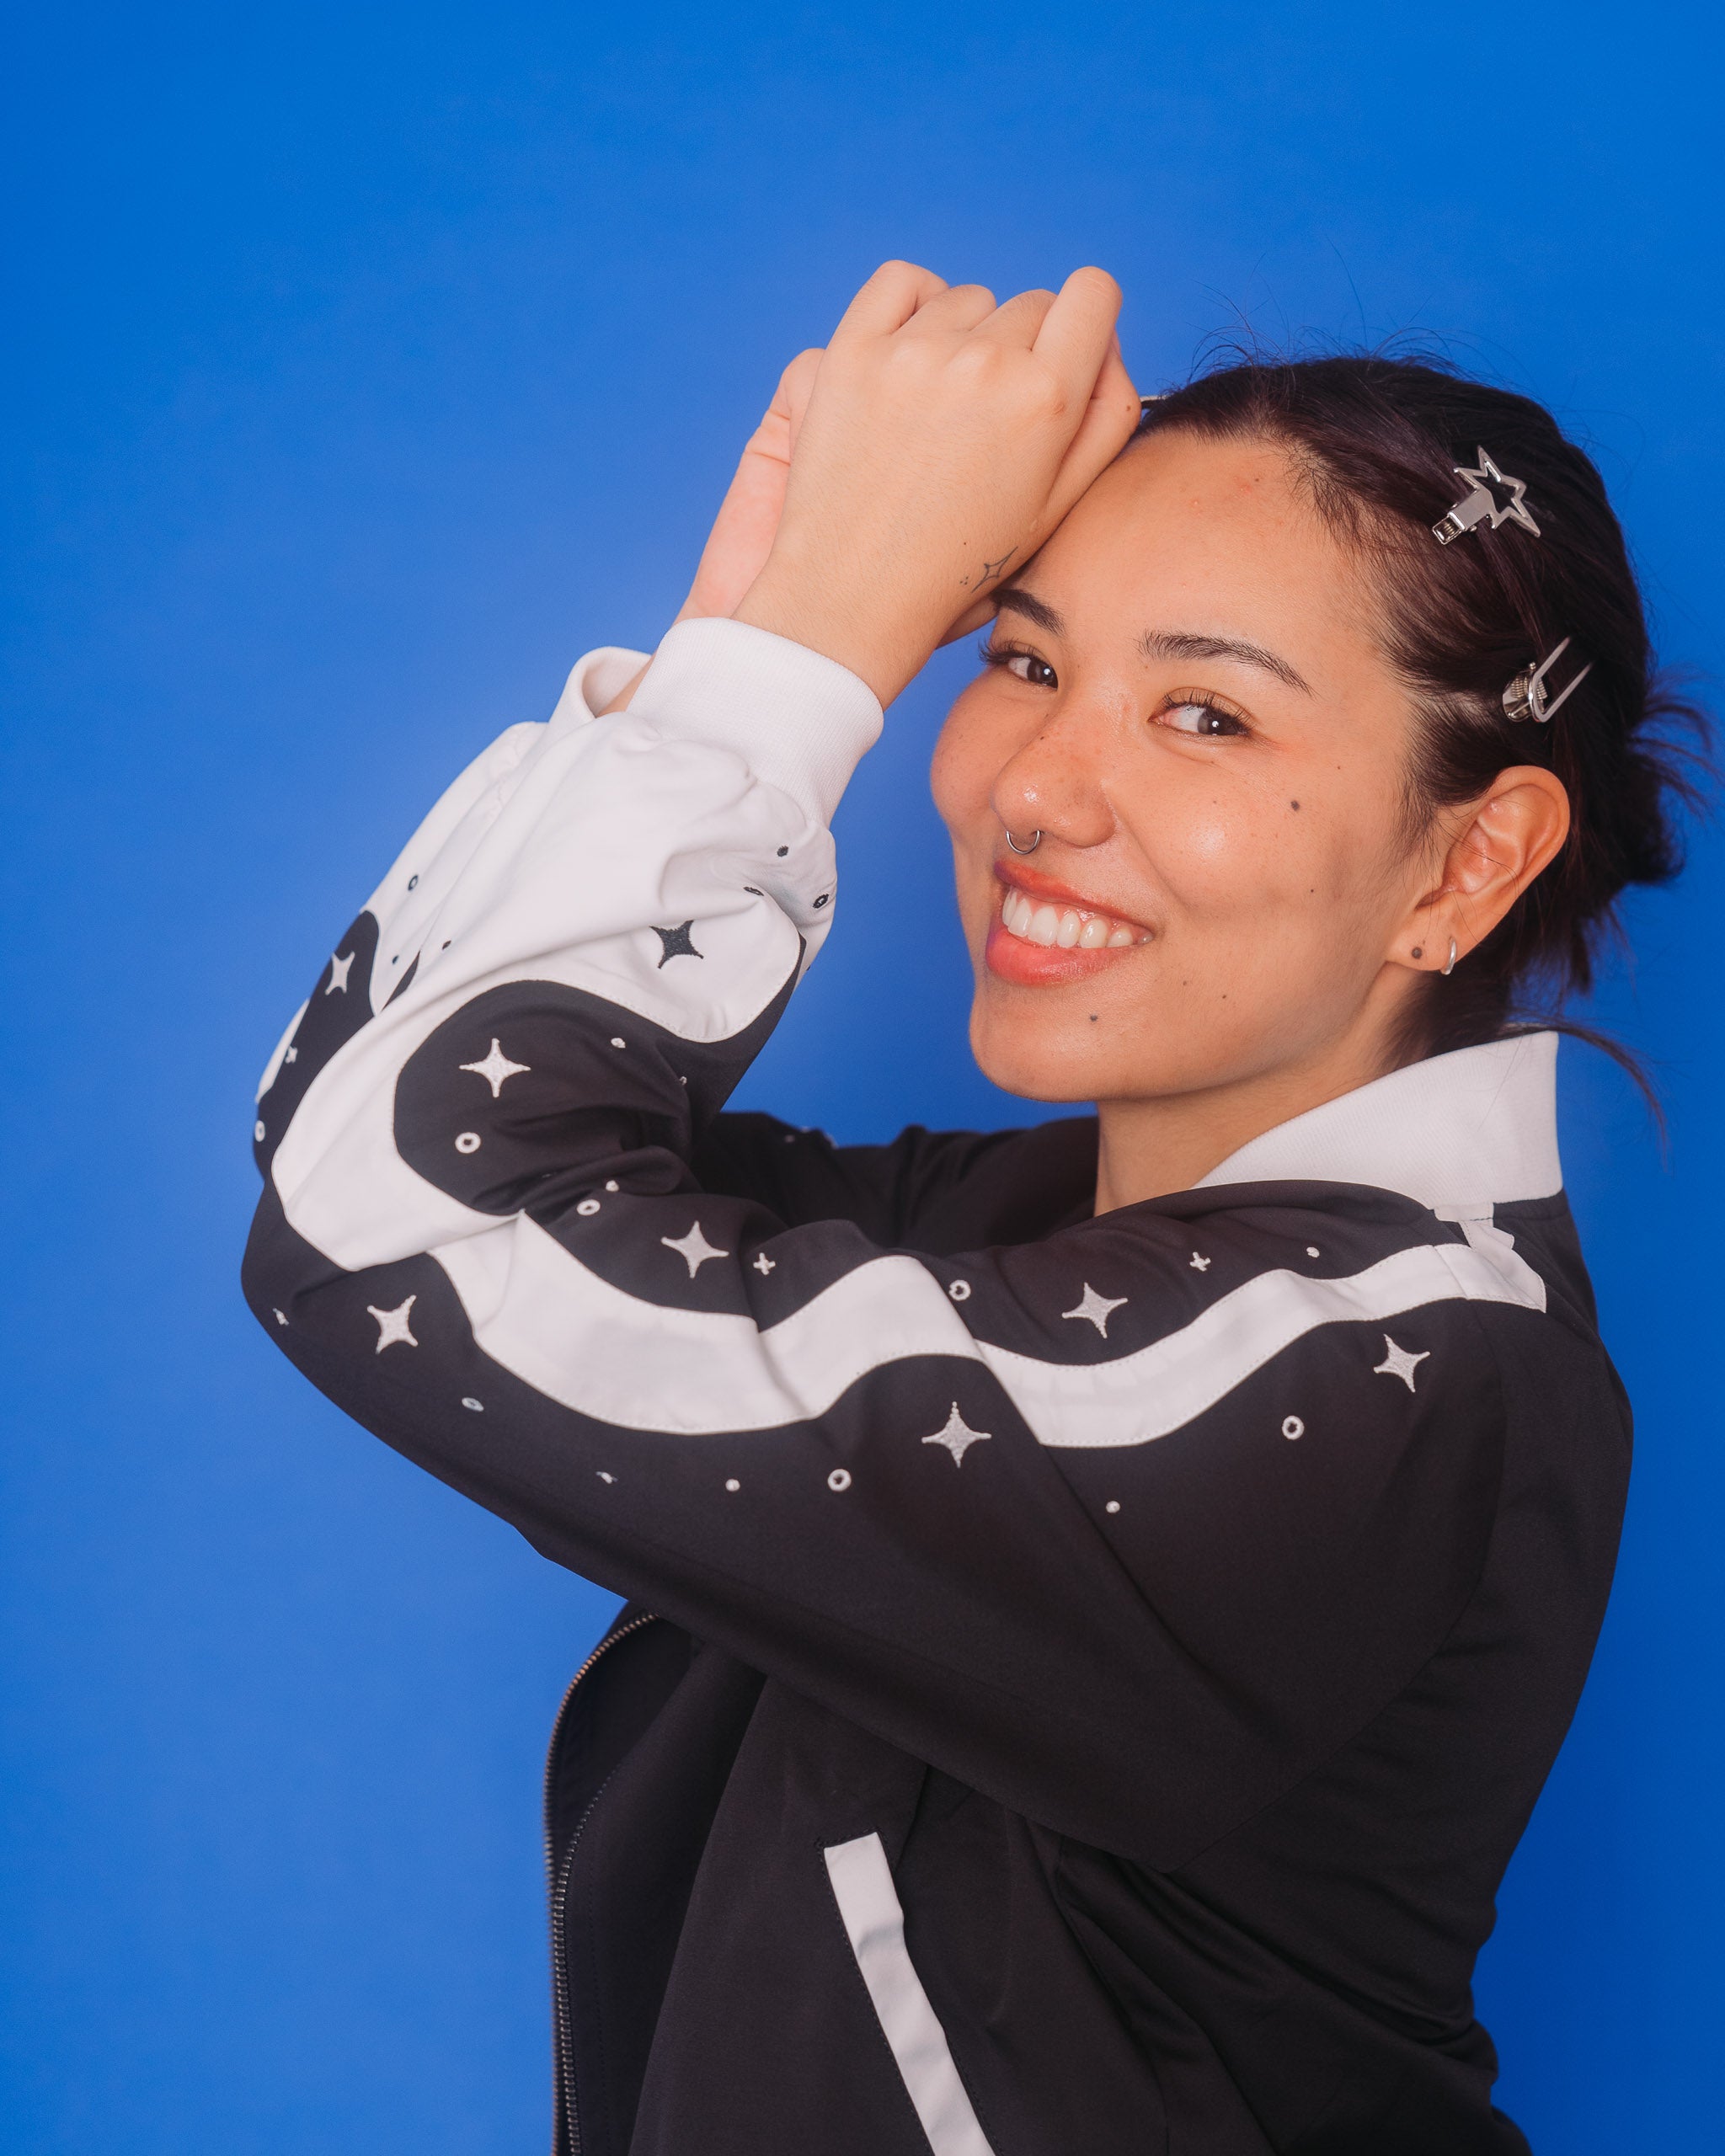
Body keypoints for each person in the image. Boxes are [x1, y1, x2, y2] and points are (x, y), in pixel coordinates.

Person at [243, 262, 1700, 2154]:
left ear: (1467, 859)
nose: (1033, 785)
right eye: (1015, 656)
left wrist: (794, 670)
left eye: (1203, 716)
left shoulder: (1398, 1381)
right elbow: (352, 1125)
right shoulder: (994, 1240)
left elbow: (407, 1222)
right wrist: (741, 628)